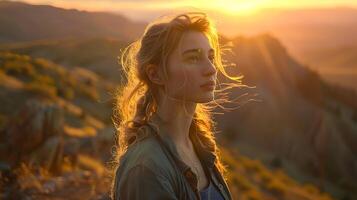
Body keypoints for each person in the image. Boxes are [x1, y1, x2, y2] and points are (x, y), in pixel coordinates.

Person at [111, 11, 243, 200]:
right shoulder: (145, 169)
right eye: (193, 58)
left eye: (211, 57)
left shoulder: (198, 145)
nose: (211, 69)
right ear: (156, 74)